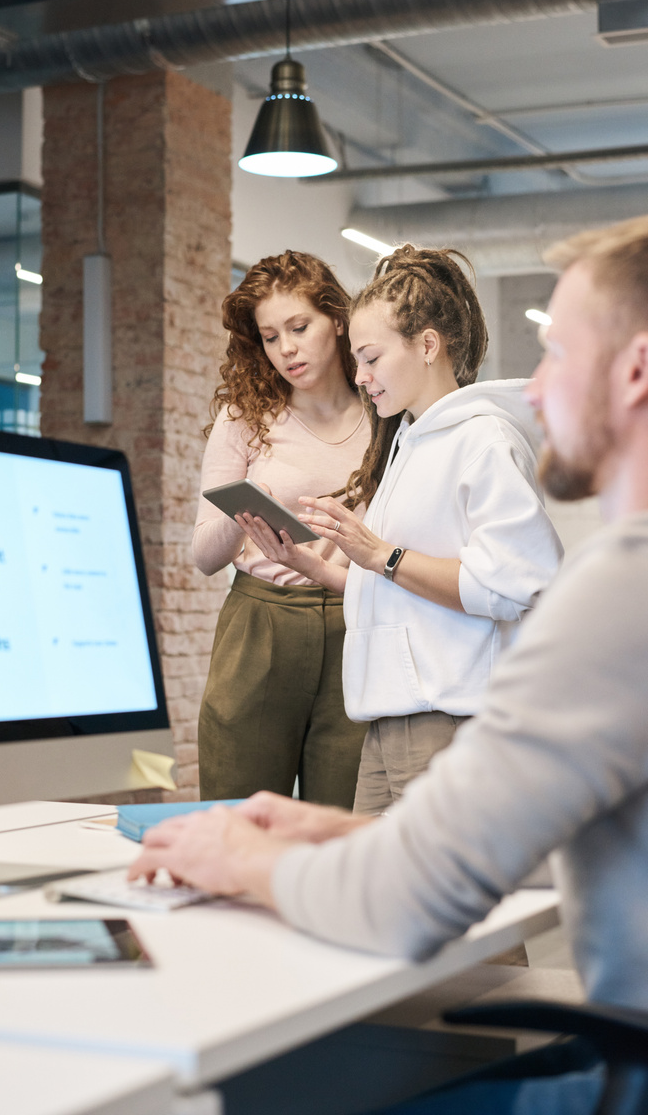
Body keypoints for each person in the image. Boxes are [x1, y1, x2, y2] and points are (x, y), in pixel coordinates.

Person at [130, 214, 648, 1112]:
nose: (532, 387)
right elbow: (556, 852)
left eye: (555, 352)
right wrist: (346, 835)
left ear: (633, 372)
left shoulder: (619, 588)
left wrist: (233, 855)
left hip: (614, 1079)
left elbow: (406, 903)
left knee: (229, 1087)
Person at [241, 245, 563, 814]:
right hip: (388, 725)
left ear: (428, 345)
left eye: (369, 358)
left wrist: (381, 554)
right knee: (371, 895)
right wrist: (315, 567)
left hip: (448, 723)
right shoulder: (409, 444)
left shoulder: (482, 440)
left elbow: (516, 584)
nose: (360, 378)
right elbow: (401, 589)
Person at [193, 251, 371, 807]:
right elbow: (203, 557)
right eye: (270, 337)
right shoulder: (246, 416)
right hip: (260, 621)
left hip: (356, 622)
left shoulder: (385, 414)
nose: (286, 349)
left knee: (342, 826)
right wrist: (242, 513)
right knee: (237, 814)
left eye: (299, 327)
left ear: (337, 321)